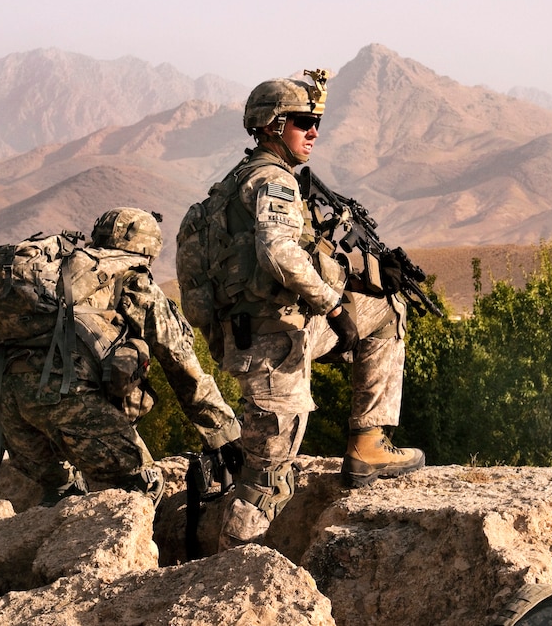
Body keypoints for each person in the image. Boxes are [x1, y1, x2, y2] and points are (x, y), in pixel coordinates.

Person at [182, 69, 424, 550]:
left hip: (263, 336)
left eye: (316, 121)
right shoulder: (273, 183)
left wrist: (225, 340)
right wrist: (333, 307)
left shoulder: (218, 197)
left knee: (385, 311)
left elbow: (193, 290)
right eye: (303, 120)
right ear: (273, 125)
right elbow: (279, 252)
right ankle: (230, 579)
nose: (314, 131)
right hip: (276, 343)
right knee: (266, 482)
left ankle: (367, 445)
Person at [0, 207, 242, 507]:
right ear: (147, 250)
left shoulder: (57, 278)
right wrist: (222, 431)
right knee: (142, 484)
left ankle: (59, 519)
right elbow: (180, 363)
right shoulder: (135, 282)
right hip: (65, 401)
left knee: (62, 489)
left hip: (11, 417)